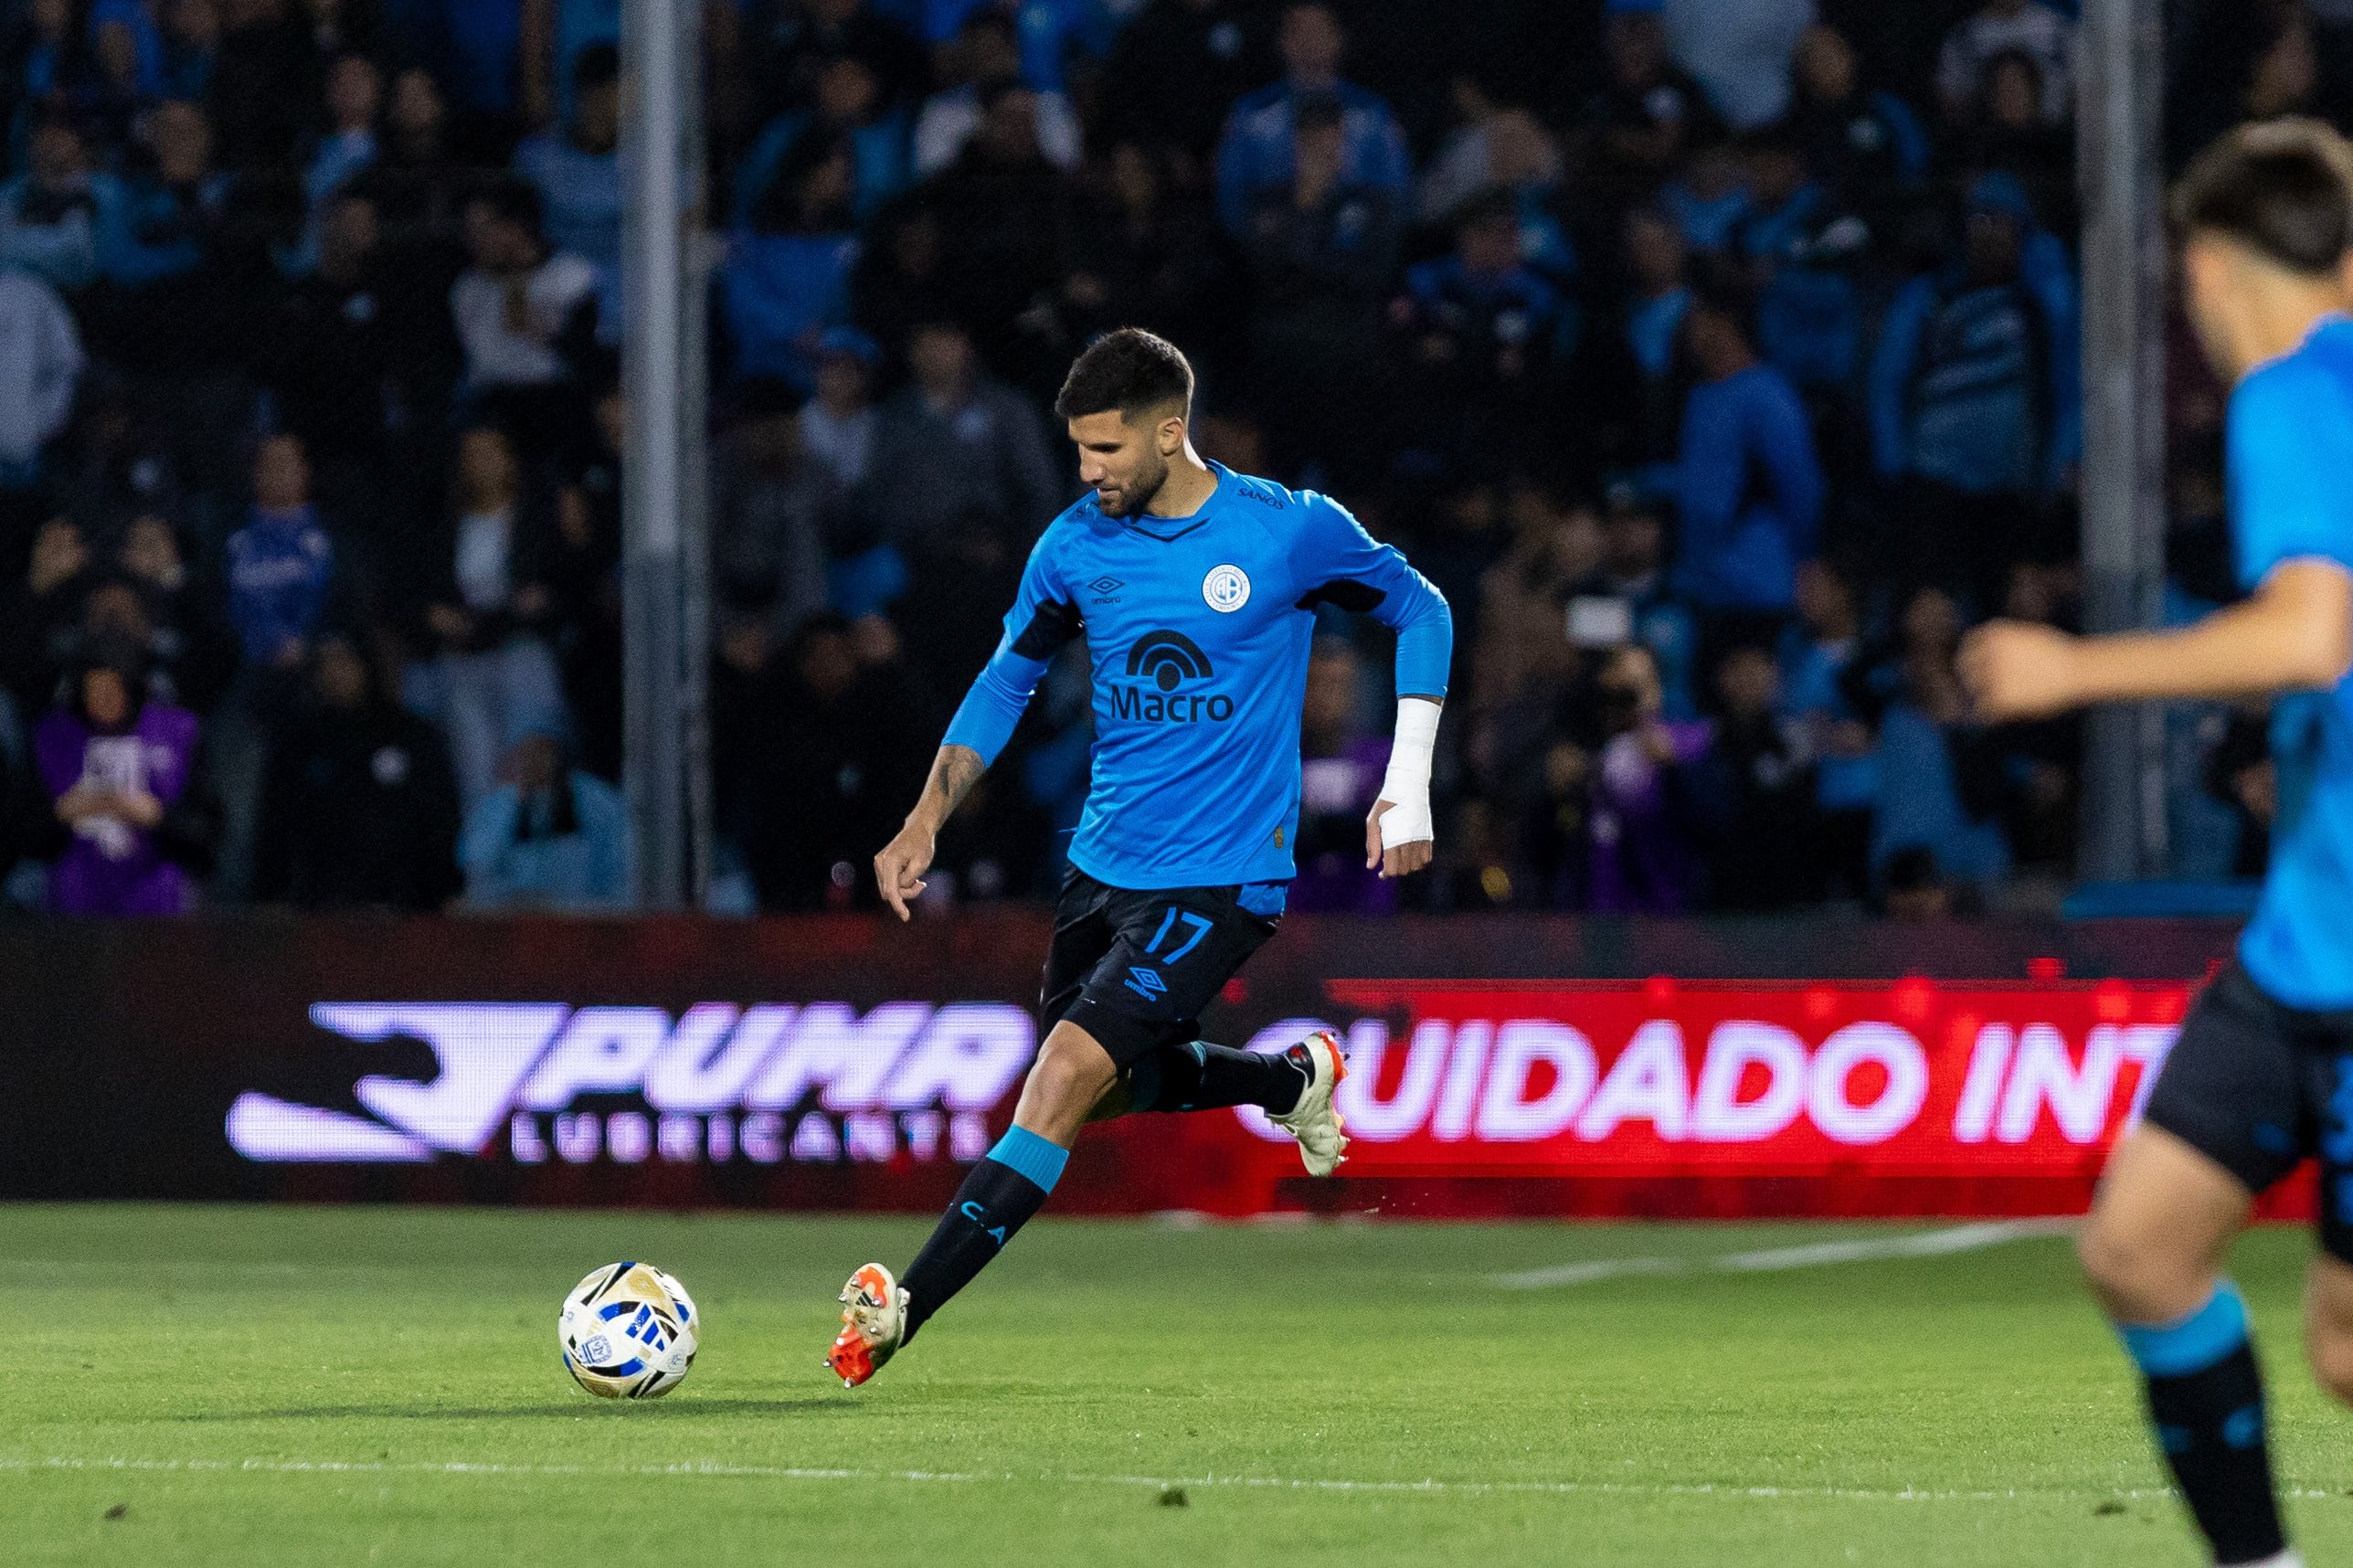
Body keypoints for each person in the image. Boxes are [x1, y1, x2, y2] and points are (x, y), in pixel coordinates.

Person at [827, 328, 1452, 1385]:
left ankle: (898, 1310)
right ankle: (1288, 1080)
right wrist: (924, 817)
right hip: (1104, 866)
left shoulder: (1283, 532)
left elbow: (1421, 606)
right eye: (1079, 452)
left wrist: (1407, 781)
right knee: (1105, 1090)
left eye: (1107, 450)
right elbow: (1006, 679)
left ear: (1171, 431)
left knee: (1061, 1078)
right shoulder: (1074, 546)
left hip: (1224, 875)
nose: (1089, 473)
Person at [1960, 120, 2353, 1568]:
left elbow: (2310, 632)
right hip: (2304, 945)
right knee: (2138, 1250)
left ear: (2202, 268)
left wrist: (2072, 672)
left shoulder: (2289, 394)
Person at [25, 638, 212, 915]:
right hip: (75, 890)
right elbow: (22, 830)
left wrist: (159, 817)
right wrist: (63, 812)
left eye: (112, 689)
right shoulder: (55, 735)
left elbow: (204, 830)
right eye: (94, 690)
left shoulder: (178, 731)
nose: (103, 701)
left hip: (156, 889)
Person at [458, 726, 630, 909]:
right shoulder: (501, 803)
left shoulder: (595, 799)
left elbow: (623, 866)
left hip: (584, 917)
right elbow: (476, 861)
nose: (533, 762)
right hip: (516, 918)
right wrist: (512, 809)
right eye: (526, 753)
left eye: (541, 751)